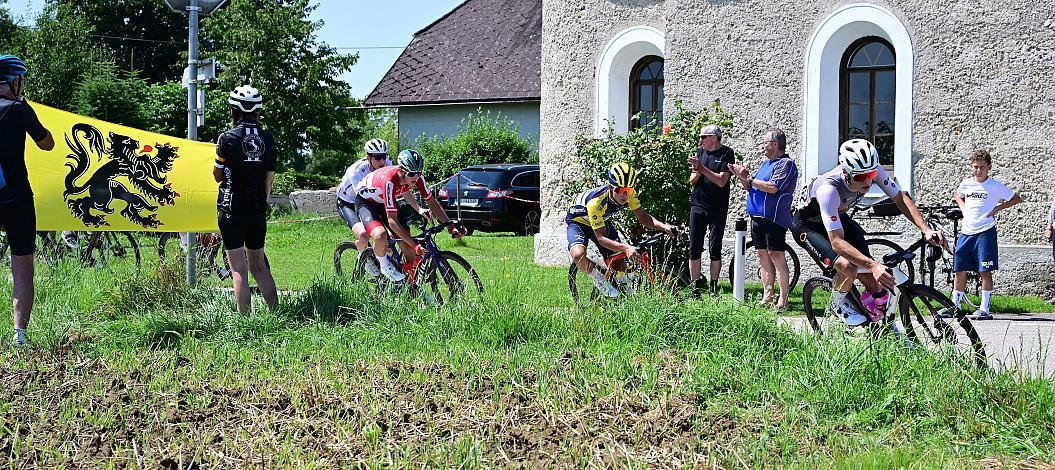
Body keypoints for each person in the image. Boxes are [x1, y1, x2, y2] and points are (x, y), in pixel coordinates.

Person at [792, 138, 944, 326]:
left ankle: (885, 326)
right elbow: (837, 242)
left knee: (874, 283)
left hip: (837, 217)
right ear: (846, 173)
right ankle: (837, 303)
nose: (867, 180)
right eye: (860, 177)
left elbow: (900, 198)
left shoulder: (874, 170)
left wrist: (926, 229)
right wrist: (874, 265)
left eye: (870, 174)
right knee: (849, 267)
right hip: (808, 226)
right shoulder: (829, 190)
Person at [0, 55, 54, 346]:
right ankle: (19, 335)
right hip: (17, 199)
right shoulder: (19, 109)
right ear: (13, 81)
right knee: (22, 264)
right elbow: (47, 143)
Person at [566, 163, 678, 298]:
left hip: (600, 220)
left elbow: (643, 217)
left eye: (629, 190)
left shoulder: (628, 194)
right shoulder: (595, 203)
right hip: (578, 221)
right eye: (620, 190)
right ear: (610, 187)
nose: (625, 195)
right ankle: (599, 280)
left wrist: (665, 227)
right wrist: (626, 248)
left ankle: (625, 297)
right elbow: (601, 239)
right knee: (578, 254)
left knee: (619, 263)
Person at [213, 85, 279, 315]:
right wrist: (261, 203)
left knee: (238, 269)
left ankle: (245, 322)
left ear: (235, 110)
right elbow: (268, 181)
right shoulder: (268, 139)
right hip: (257, 210)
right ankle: (275, 314)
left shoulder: (227, 139)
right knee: (259, 266)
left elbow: (217, 175)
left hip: (231, 209)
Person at [352, 149, 463, 282]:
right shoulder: (390, 181)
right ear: (401, 171)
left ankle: (411, 287)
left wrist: (450, 226)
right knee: (380, 235)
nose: (416, 178)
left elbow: (431, 201)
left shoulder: (416, 176)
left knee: (408, 249)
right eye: (411, 174)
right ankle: (384, 266)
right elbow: (392, 221)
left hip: (384, 201)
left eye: (418, 173)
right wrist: (415, 244)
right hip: (367, 203)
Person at [336, 138, 428, 277]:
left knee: (390, 239)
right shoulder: (356, 171)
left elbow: (403, 189)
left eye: (384, 156)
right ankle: (364, 258)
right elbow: (361, 199)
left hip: (375, 199)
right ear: (369, 157)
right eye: (378, 157)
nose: (382, 161)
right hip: (349, 201)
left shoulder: (388, 165)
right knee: (363, 234)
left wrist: (418, 208)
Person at [729, 128, 798, 310]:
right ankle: (768, 296)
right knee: (762, 255)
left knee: (777, 256)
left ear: (775, 144)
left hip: (773, 218)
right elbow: (750, 187)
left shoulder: (786, 164)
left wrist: (749, 178)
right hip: (757, 217)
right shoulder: (765, 164)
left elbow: (772, 187)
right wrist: (741, 176)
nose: (762, 147)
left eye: (764, 143)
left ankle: (783, 300)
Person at [949, 149, 1022, 320]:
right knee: (959, 270)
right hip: (966, 232)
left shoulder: (994, 186)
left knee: (985, 271)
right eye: (975, 167)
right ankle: (955, 306)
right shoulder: (966, 183)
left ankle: (984, 308)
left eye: (982, 167)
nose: (978, 170)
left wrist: (997, 208)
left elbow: (1016, 198)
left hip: (985, 232)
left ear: (989, 167)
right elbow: (957, 195)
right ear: (971, 167)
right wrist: (963, 208)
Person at [687, 124, 734, 296]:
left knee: (715, 247)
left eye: (703, 137)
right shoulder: (700, 153)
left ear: (714, 137)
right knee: (694, 247)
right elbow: (692, 180)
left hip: (717, 207)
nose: (700, 140)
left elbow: (722, 181)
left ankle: (714, 288)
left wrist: (702, 169)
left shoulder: (727, 154)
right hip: (698, 205)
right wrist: (697, 171)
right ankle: (695, 287)